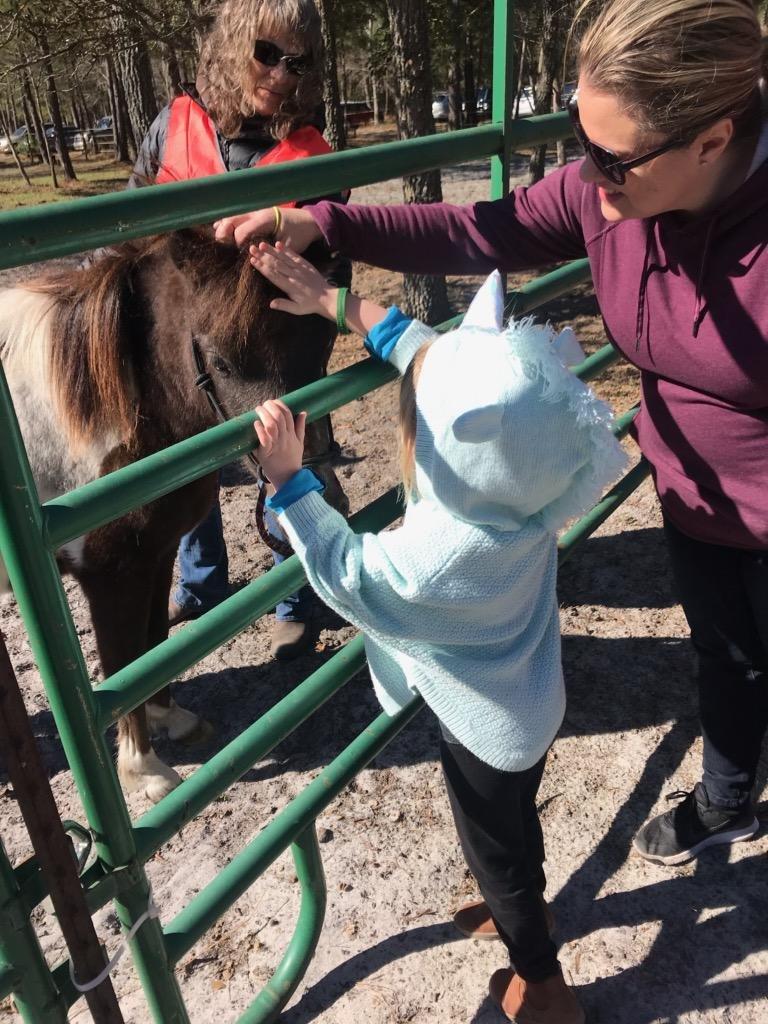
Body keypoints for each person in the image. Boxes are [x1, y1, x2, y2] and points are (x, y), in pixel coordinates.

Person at [217, 0, 768, 864]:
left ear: (712, 141)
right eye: (580, 139)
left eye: (610, 156)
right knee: (725, 652)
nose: (588, 175)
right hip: (693, 495)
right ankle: (729, 797)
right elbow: (481, 230)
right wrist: (329, 221)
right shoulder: (610, 192)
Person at [247, 241, 626, 1022]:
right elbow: (431, 358)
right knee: (515, 826)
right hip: (530, 703)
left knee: (494, 847)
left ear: (455, 437)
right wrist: (332, 302)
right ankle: (524, 904)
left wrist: (290, 481)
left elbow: (346, 572)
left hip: (484, 727)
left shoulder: (440, 556)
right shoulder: (520, 480)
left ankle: (543, 983)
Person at [130, 0, 350, 659]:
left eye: (297, 63)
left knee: (287, 462)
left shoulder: (310, 151)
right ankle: (201, 586)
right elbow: (131, 226)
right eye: (267, 54)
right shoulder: (173, 124)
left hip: (270, 350)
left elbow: (335, 257)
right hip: (180, 346)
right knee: (184, 461)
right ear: (233, 44)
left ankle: (296, 598)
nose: (281, 75)